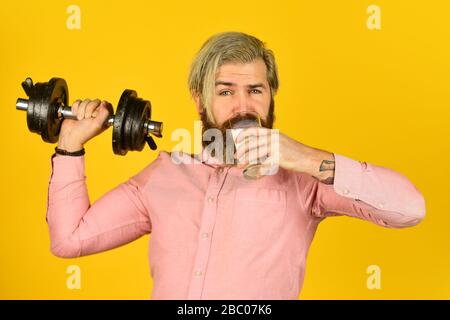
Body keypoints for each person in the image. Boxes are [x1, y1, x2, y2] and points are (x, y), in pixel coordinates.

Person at [47, 32, 426, 299]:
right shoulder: (164, 174)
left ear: (271, 95)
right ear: (200, 100)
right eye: (225, 91)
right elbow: (70, 239)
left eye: (255, 90)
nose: (242, 105)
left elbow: (410, 209)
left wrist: (309, 159)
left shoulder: (304, 180)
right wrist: (69, 145)